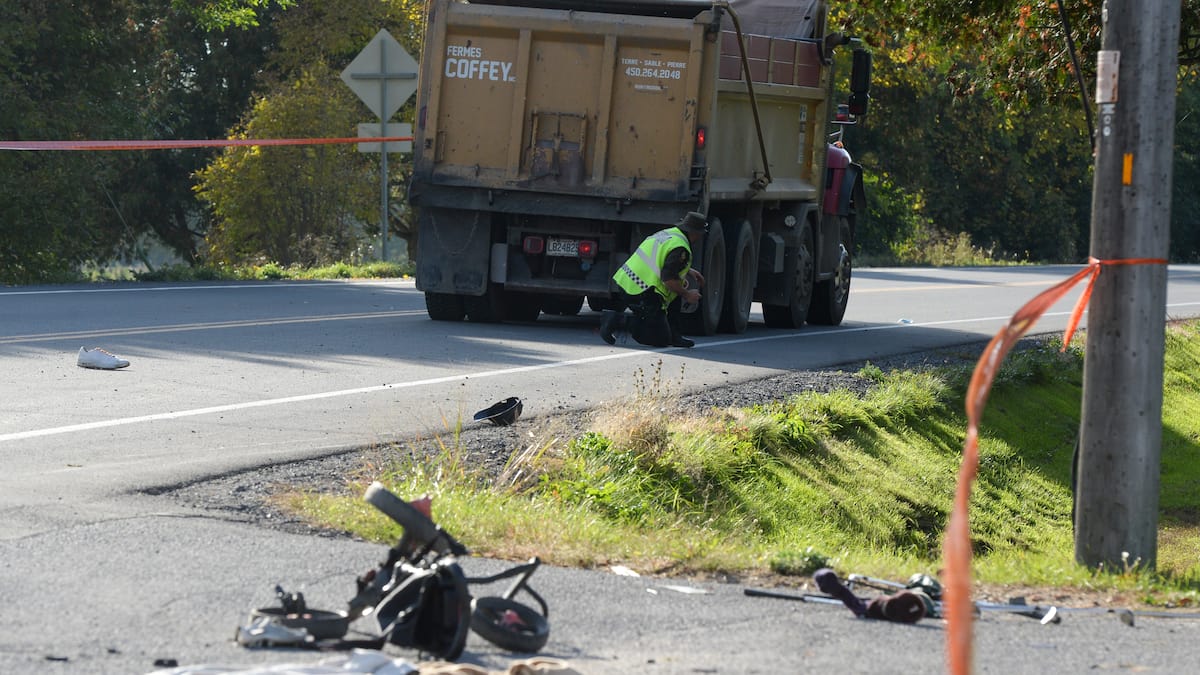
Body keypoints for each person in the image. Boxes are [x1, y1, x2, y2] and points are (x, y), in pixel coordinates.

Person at [599, 211, 707, 348]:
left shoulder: (671, 234)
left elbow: (661, 261)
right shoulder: (680, 247)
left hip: (629, 281)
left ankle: (674, 335)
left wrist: (687, 270)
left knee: (676, 292)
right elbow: (668, 280)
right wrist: (688, 295)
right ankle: (617, 320)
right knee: (659, 339)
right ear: (695, 233)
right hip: (640, 289)